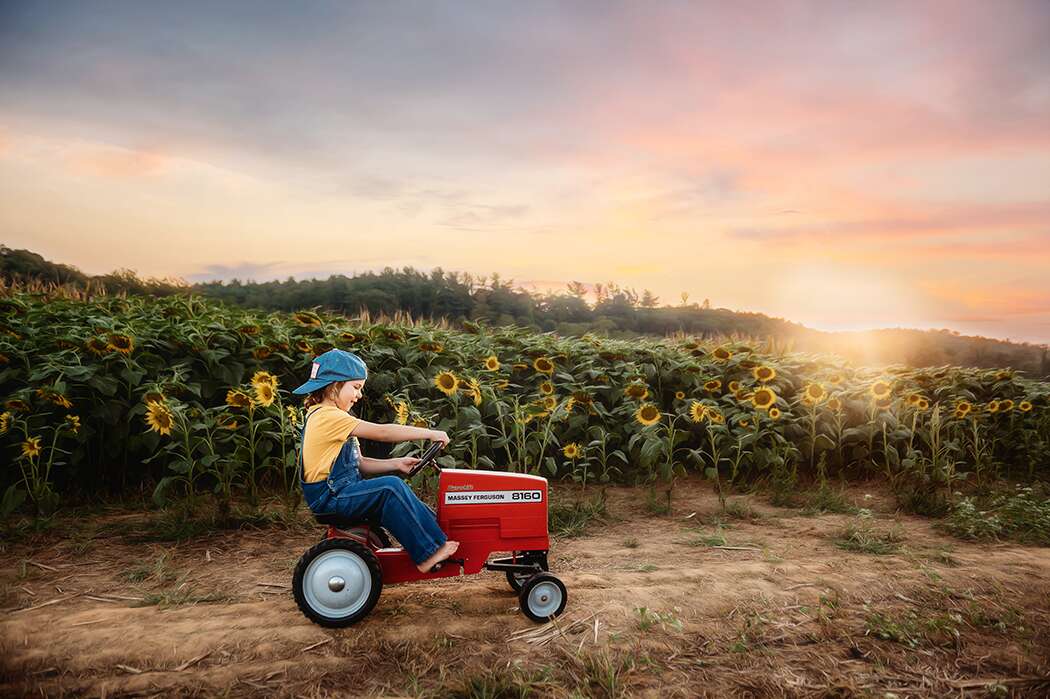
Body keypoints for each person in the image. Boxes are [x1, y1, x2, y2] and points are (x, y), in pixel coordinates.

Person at [292, 348, 459, 573]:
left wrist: (396, 463)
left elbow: (359, 462)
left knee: (393, 487)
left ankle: (442, 536)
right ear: (334, 387)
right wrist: (429, 433)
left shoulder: (335, 417)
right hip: (330, 496)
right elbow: (383, 432)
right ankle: (428, 553)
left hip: (342, 491)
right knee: (390, 488)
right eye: (356, 387)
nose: (359, 395)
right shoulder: (326, 416)